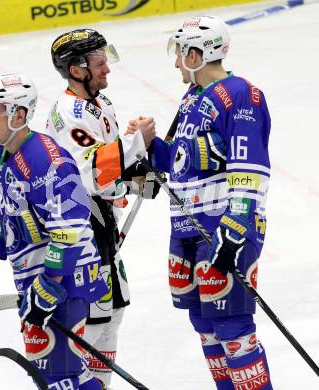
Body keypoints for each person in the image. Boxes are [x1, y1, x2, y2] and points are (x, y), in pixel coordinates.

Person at [145, 15, 273, 389]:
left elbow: (250, 165)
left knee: (232, 327)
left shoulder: (239, 93)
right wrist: (151, 146)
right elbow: (182, 162)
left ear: (198, 54)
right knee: (204, 324)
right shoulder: (191, 99)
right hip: (187, 227)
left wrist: (238, 223)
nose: (176, 63)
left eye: (181, 54)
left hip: (222, 225)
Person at [0, 73, 110, 390]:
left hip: (67, 280)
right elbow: (7, 214)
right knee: (58, 373)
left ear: (18, 115)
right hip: (41, 281)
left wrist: (49, 285)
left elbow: (70, 226)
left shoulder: (47, 159)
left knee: (60, 376)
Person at [46, 29, 157, 389]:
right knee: (91, 322)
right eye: (99, 63)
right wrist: (136, 143)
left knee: (112, 315)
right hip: (83, 231)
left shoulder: (100, 105)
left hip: (103, 226)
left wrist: (135, 176)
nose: (107, 68)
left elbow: (110, 172)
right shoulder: (70, 111)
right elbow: (91, 171)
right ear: (76, 70)